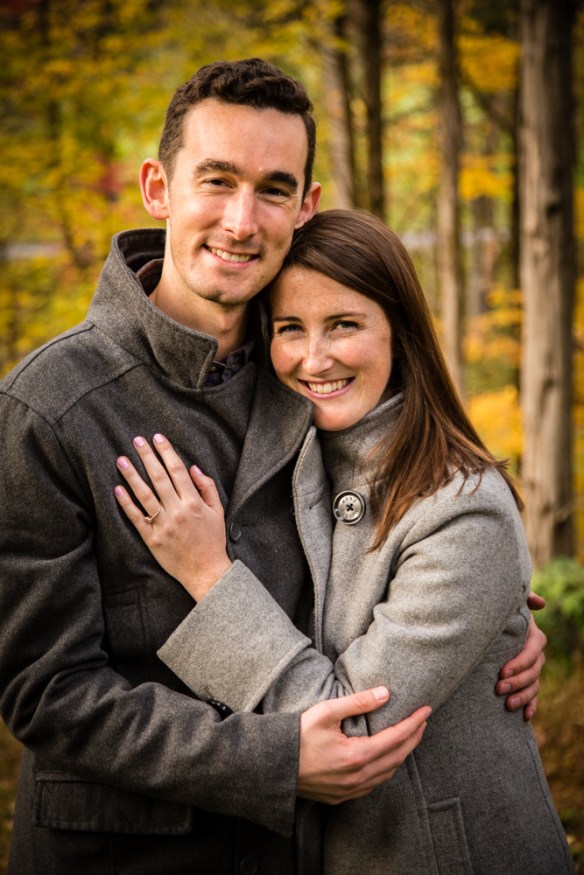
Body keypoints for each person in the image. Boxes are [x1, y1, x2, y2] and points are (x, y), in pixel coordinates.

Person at [0, 58, 544, 875]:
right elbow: (45, 690)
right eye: (217, 180)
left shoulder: (303, 369)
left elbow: (396, 526)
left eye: (273, 188)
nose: (241, 219)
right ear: (158, 187)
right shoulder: (47, 405)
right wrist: (273, 758)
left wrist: (496, 617)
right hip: (126, 854)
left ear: (305, 205)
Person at [114, 210, 572, 874]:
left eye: (344, 325)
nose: (314, 358)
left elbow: (350, 730)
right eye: (290, 328)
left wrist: (209, 576)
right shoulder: (293, 467)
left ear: (401, 335)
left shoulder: (464, 507)